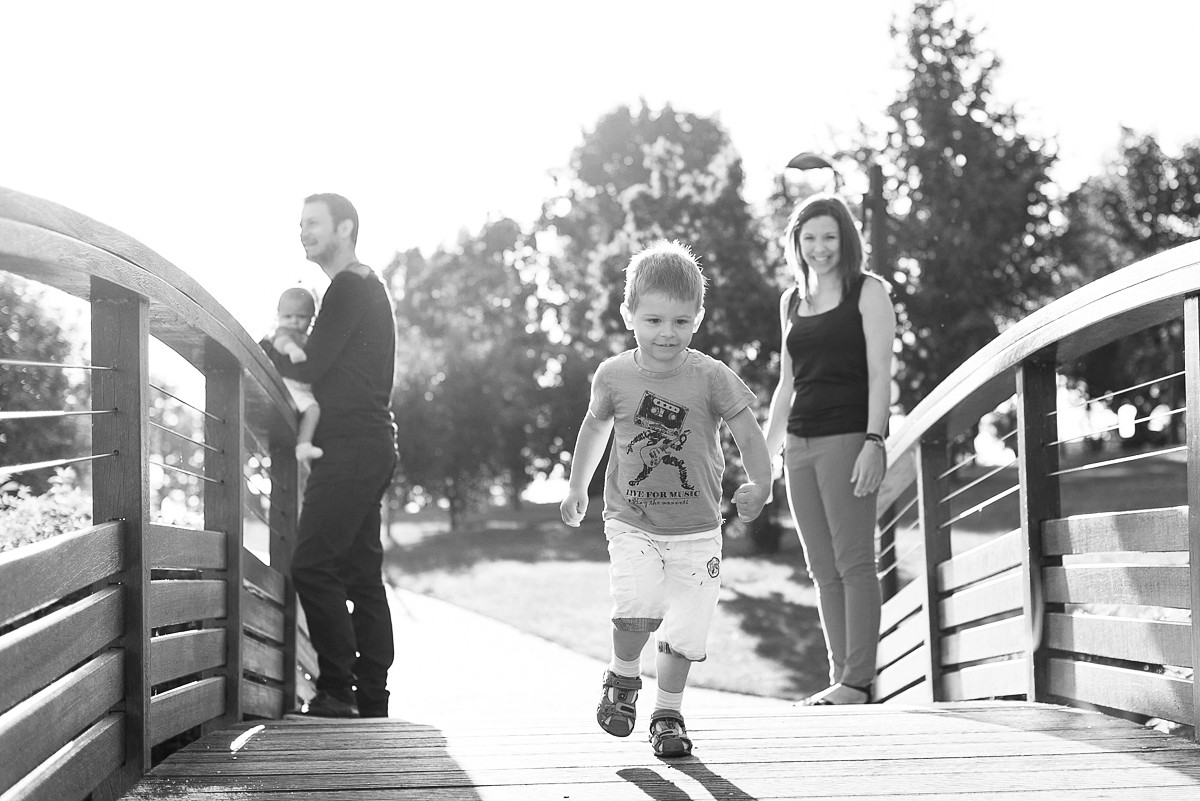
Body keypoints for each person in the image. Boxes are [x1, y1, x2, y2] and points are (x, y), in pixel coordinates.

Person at [560, 240, 772, 757]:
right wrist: (576, 486)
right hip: (631, 521)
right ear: (628, 314)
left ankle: (668, 714)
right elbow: (594, 429)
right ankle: (623, 679)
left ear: (697, 318)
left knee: (685, 629)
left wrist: (761, 483)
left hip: (698, 530)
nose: (666, 333)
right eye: (653, 319)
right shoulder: (613, 375)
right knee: (636, 606)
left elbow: (747, 430)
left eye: (680, 321)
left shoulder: (710, 375)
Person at [763, 194, 897, 706]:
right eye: (809, 238)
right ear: (796, 242)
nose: (819, 248)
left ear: (846, 241)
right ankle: (841, 678)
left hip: (848, 440)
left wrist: (874, 440)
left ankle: (858, 681)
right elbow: (786, 385)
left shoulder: (869, 292)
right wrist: (765, 456)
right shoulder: (791, 302)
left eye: (829, 237)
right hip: (799, 445)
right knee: (822, 570)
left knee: (855, 563)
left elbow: (882, 374)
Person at [279, 193, 398, 718]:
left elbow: (309, 367)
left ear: (345, 228)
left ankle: (337, 690)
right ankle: (371, 697)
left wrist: (270, 341)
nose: (303, 231)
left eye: (314, 223)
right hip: (368, 443)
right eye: (300, 223)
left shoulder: (350, 286)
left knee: (312, 565)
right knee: (361, 573)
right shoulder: (361, 285)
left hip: (351, 445)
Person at [261, 287, 323, 466]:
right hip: (289, 385)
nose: (294, 321)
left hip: (301, 386)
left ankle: (304, 445)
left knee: (312, 410)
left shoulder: (307, 336)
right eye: (288, 317)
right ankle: (303, 445)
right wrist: (293, 350)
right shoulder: (284, 332)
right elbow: (281, 343)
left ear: (312, 317)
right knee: (311, 410)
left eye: (301, 317)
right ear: (279, 316)